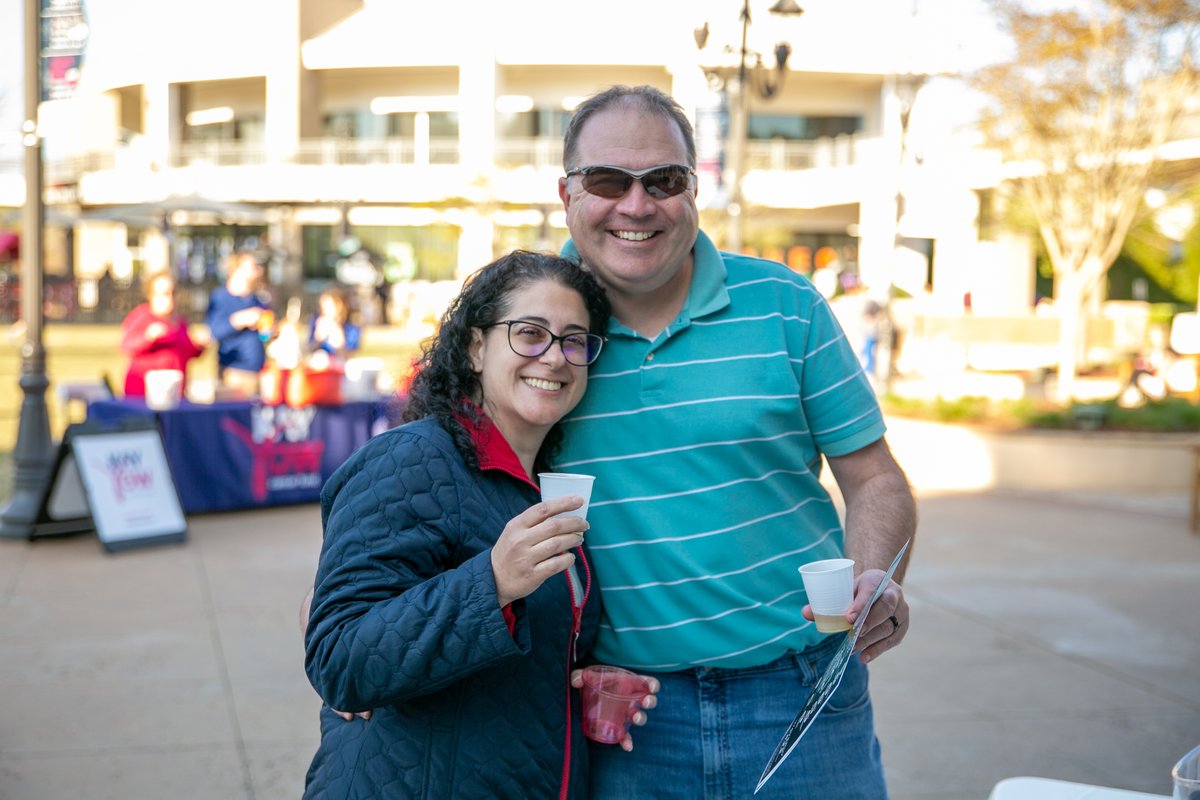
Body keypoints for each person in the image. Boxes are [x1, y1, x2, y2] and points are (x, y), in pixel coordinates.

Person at [553, 85, 917, 799]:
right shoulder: (533, 330)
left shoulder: (787, 305)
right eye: (607, 180)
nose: (636, 205)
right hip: (624, 718)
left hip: (805, 695)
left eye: (663, 180)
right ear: (567, 192)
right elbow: (442, 479)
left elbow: (875, 478)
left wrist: (876, 575)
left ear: (695, 189)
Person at [301, 250, 657, 799]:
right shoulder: (410, 460)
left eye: (574, 340)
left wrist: (574, 685)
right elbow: (340, 660)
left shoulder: (539, 483)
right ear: (474, 347)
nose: (555, 358)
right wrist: (492, 582)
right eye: (530, 333)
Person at [119, 270, 209, 397]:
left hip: (174, 393)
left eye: (173, 293)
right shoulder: (142, 317)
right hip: (143, 393)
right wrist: (148, 337)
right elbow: (126, 345)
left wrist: (199, 345)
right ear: (151, 295)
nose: (170, 299)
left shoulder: (180, 322)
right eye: (164, 294)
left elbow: (187, 351)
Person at [205, 248, 272, 397]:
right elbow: (213, 332)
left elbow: (265, 336)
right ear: (237, 268)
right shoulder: (220, 297)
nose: (258, 270)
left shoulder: (258, 300)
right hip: (234, 373)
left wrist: (270, 330)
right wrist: (239, 320)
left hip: (259, 372)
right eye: (252, 266)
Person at [307, 286, 361, 360]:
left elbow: (349, 353)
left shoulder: (351, 327)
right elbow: (310, 349)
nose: (324, 312)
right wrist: (318, 339)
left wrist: (336, 332)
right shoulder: (316, 322)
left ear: (339, 306)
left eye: (328, 308)